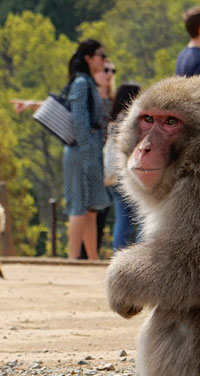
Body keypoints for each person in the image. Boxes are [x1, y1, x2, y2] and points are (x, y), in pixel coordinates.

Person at [61, 39, 111, 260]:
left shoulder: (87, 83)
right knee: (79, 206)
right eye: (100, 55)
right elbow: (80, 121)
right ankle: (73, 257)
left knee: (91, 209)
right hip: (81, 153)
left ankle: (92, 258)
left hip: (87, 152)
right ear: (89, 58)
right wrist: (88, 153)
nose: (104, 59)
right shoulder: (82, 84)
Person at [79, 59, 117, 259]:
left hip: (107, 164)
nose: (109, 73)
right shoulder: (88, 98)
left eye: (112, 70)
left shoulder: (113, 100)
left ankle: (91, 253)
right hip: (92, 159)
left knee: (102, 211)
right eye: (105, 70)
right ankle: (85, 255)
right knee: (88, 210)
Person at [103, 83, 142, 251]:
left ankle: (117, 255)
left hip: (113, 176)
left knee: (122, 221)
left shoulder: (113, 120)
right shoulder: (130, 119)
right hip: (128, 175)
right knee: (140, 220)